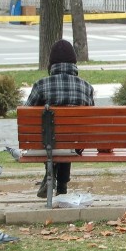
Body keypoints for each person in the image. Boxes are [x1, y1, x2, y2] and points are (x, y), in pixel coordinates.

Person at [26, 39, 95, 197]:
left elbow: (28, 114)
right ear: (74, 63)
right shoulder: (86, 87)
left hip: (48, 143)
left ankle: (50, 176)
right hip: (77, 143)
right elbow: (90, 118)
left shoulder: (41, 85)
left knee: (51, 137)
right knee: (68, 138)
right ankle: (62, 186)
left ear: (51, 64)